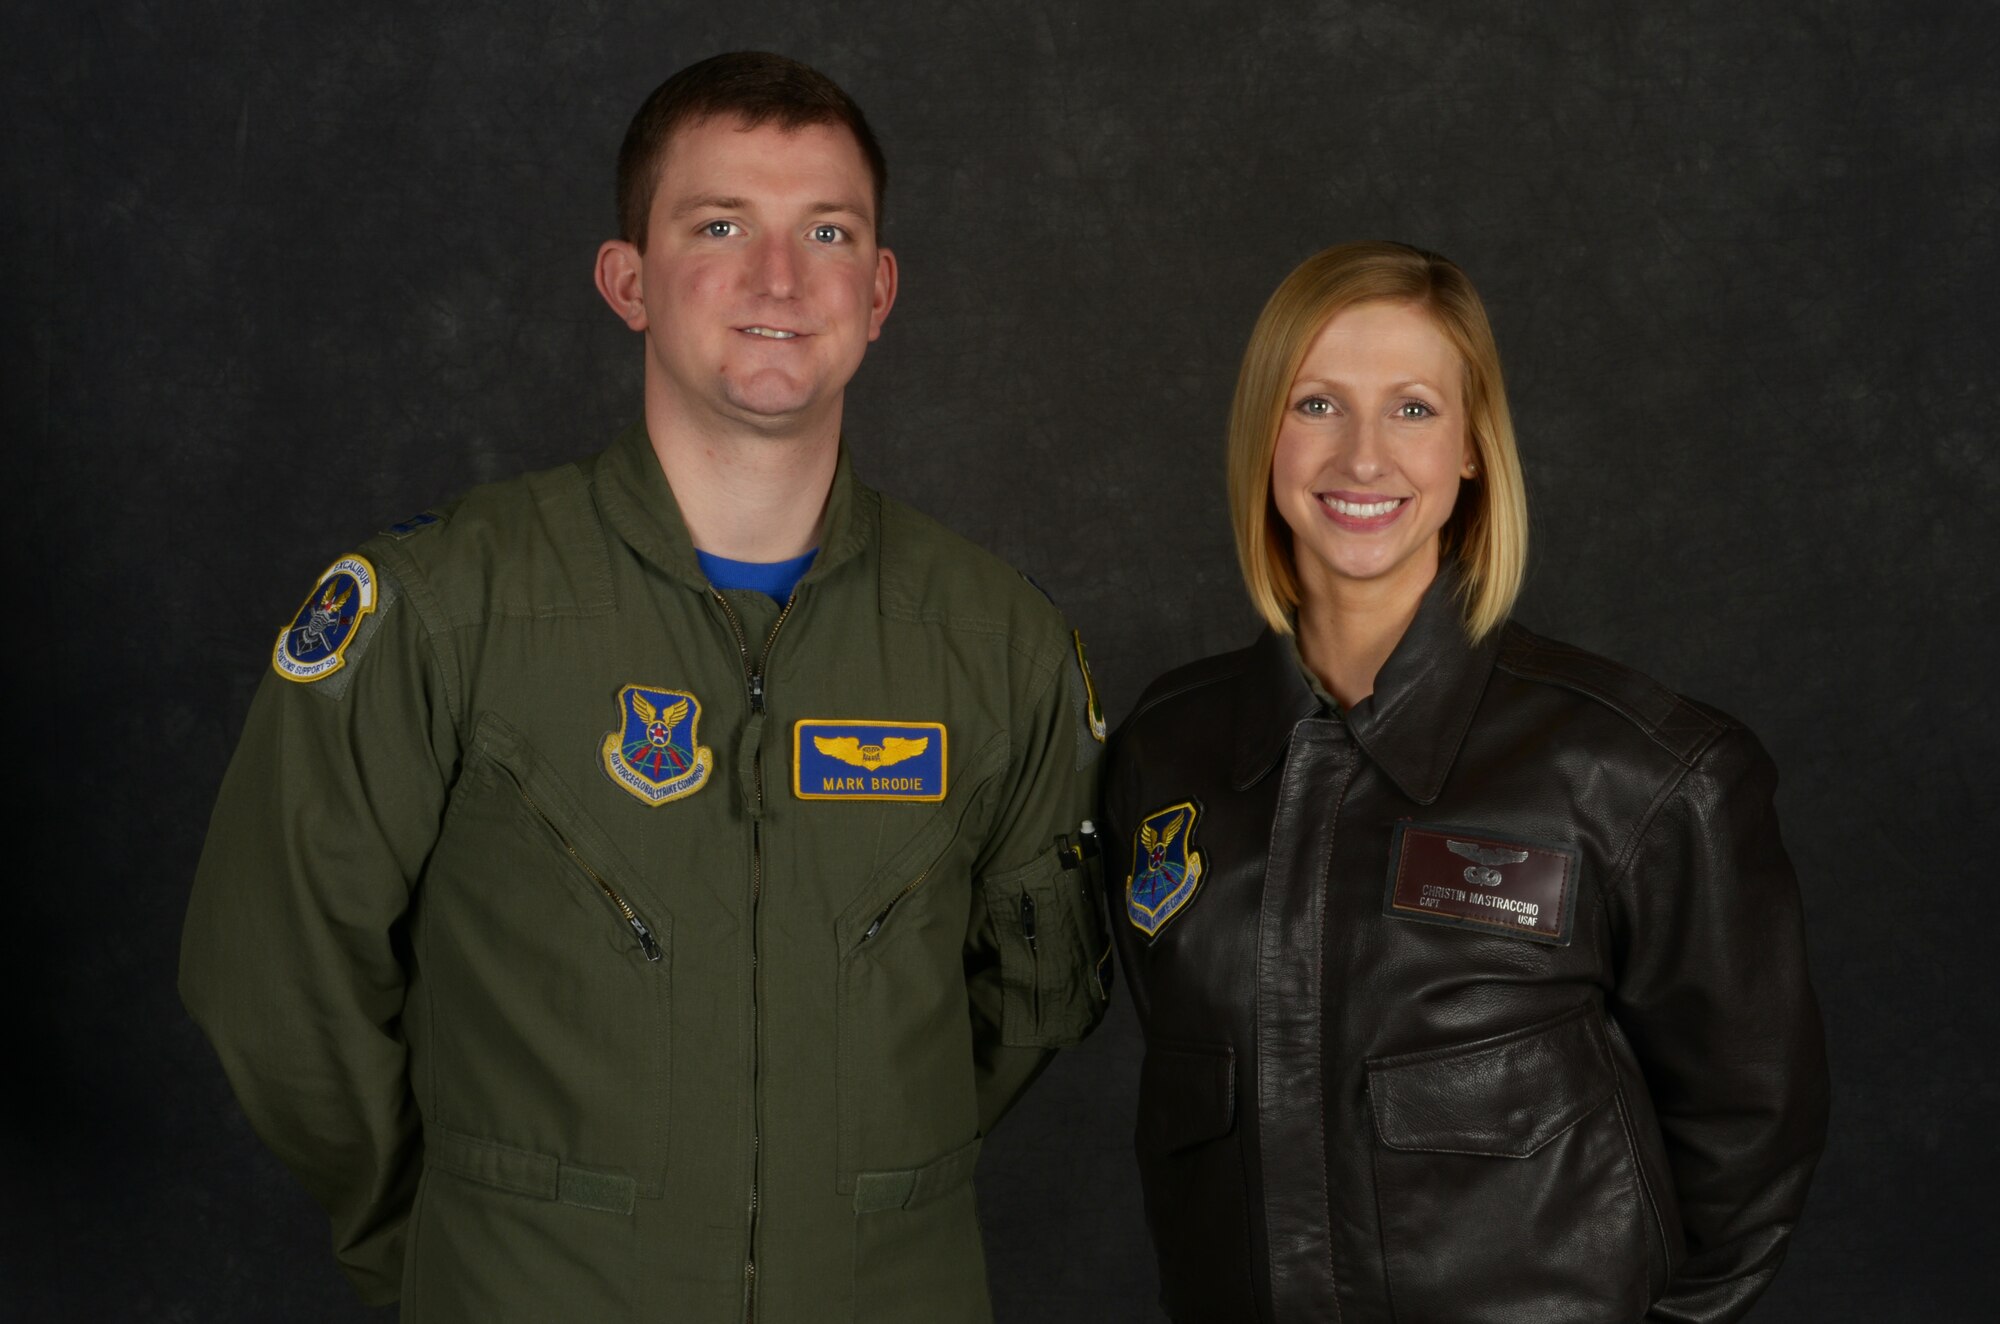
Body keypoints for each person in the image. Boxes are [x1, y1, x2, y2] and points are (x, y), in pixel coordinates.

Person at [180, 51, 1110, 1323]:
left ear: (879, 290)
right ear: (629, 280)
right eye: (719, 225)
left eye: (826, 231)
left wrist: (836, 1187)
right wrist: (446, 1234)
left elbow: (1029, 1003)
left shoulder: (995, 640)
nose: (778, 278)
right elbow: (273, 980)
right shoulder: (446, 608)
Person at [1103, 241, 1828, 1323]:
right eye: (1315, 404)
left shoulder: (1637, 772)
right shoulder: (1166, 751)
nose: (1361, 457)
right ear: (1261, 434)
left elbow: (1748, 1140)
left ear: (1472, 447)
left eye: (1410, 409)